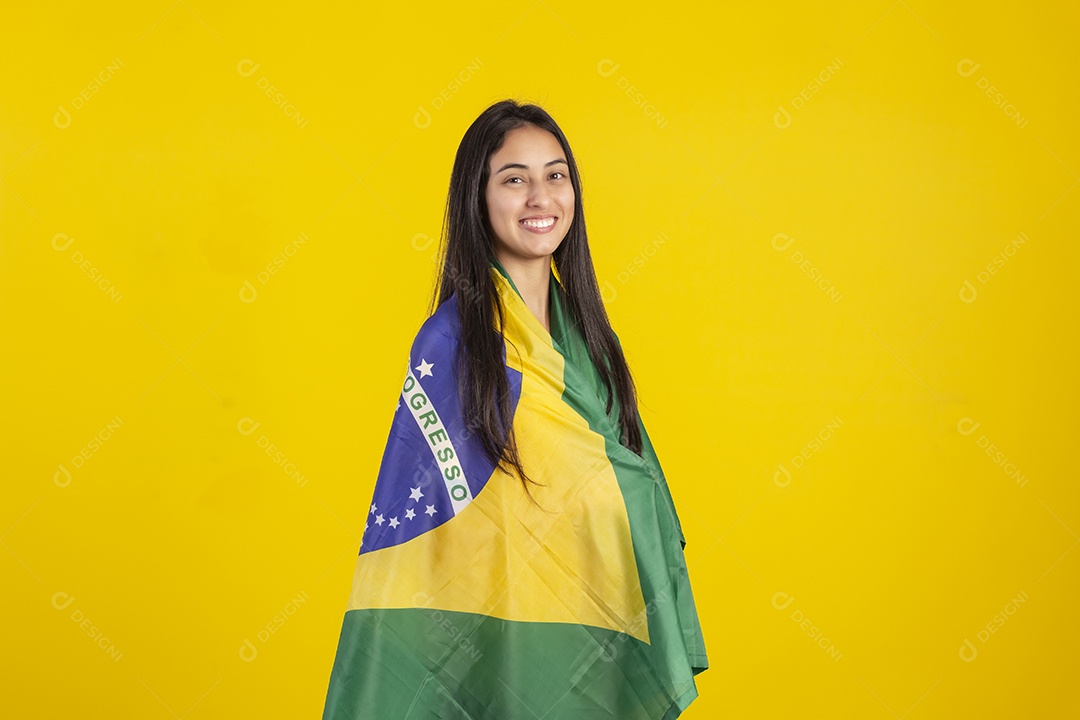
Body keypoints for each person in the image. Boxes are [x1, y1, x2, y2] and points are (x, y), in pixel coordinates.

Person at [322, 99, 708, 719]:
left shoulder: (587, 343)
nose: (540, 197)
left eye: (556, 175)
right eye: (514, 178)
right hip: (501, 642)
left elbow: (625, 482)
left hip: (596, 627)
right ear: (477, 198)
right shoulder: (451, 345)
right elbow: (434, 537)